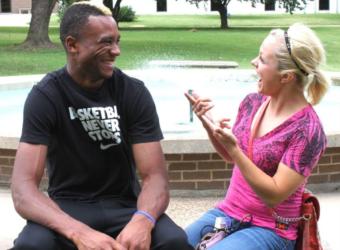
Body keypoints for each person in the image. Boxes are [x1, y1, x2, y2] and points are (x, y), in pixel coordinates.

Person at [11, 2, 193, 250]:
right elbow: (23, 189)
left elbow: (155, 177)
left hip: (125, 206)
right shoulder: (47, 96)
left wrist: (143, 220)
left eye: (117, 41)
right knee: (32, 245)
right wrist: (78, 232)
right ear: (72, 45)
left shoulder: (133, 92)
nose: (116, 50)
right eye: (106, 42)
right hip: (68, 207)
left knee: (174, 241)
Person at [184, 23, 328, 250]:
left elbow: (274, 195)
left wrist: (234, 150)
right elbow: (230, 158)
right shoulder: (253, 102)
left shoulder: (308, 130)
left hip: (272, 229)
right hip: (229, 213)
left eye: (261, 60)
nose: (253, 63)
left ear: (286, 77)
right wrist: (209, 125)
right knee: (171, 243)